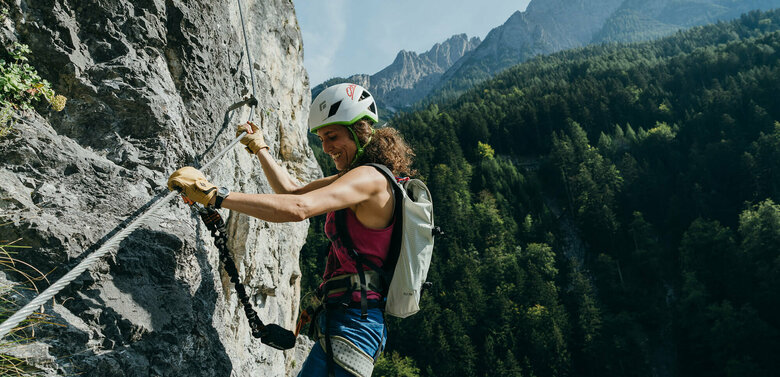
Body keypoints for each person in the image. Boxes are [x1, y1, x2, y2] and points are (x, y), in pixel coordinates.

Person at [167, 83, 415, 377]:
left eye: (332, 136)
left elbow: (299, 210)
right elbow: (292, 192)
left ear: (360, 130)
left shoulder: (369, 178)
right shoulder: (360, 177)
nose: (325, 147)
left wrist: (215, 196)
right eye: (322, 138)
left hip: (353, 323)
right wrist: (260, 148)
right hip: (348, 320)